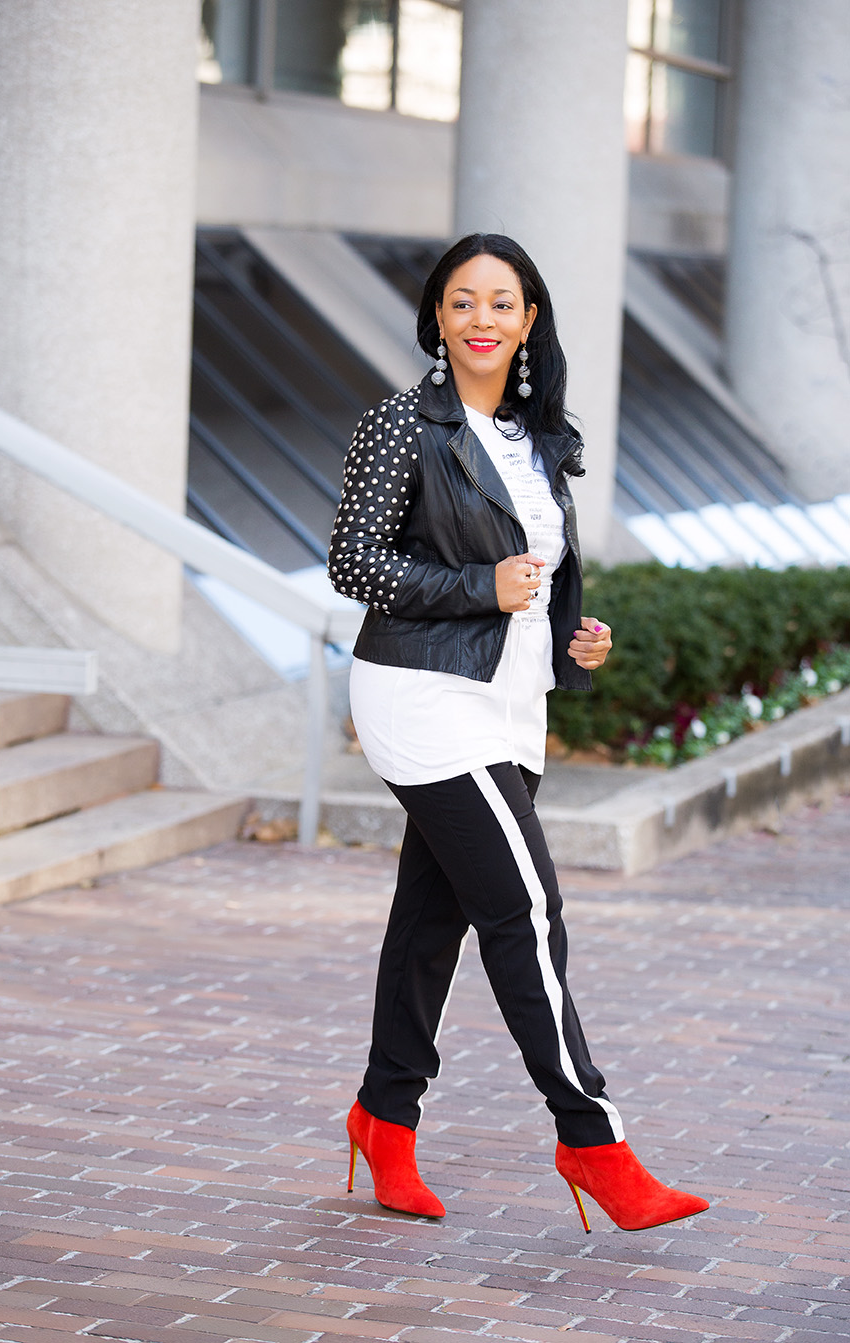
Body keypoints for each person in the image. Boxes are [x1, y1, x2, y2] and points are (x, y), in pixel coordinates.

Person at [328, 233, 708, 1234]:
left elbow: (536, 572)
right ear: (438, 318)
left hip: (509, 699)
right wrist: (475, 588)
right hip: (418, 689)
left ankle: (384, 1115)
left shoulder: (540, 441)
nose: (481, 319)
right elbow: (353, 563)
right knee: (527, 908)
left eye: (501, 302)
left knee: (434, 918)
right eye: (463, 302)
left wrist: (570, 635)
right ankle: (593, 1140)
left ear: (528, 318)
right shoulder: (402, 424)